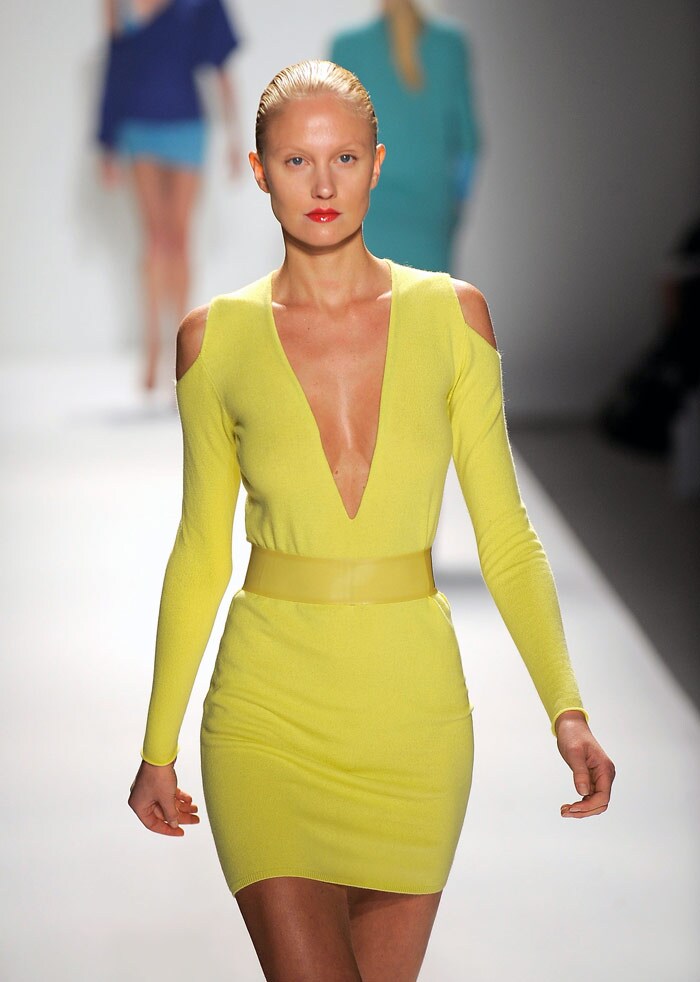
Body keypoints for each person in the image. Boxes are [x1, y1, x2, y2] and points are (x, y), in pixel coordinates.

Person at [128, 60, 615, 982]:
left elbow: (505, 532)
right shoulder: (214, 338)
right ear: (258, 169)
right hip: (266, 713)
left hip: (413, 720)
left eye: (344, 157)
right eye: (297, 161)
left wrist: (569, 710)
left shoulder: (454, 317)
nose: (322, 185)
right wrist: (158, 745)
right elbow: (200, 550)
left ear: (379, 165)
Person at [97, 0, 241, 390]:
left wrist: (235, 134)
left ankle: (182, 347)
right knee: (155, 237)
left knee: (179, 236)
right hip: (138, 123)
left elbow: (220, 63)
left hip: (186, 124)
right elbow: (115, 63)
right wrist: (106, 141)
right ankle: (152, 350)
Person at [330, 0, 480, 273]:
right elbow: (468, 143)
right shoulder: (450, 45)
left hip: (367, 211)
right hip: (431, 212)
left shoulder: (348, 48)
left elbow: (332, 142)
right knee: (430, 309)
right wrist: (451, 209)